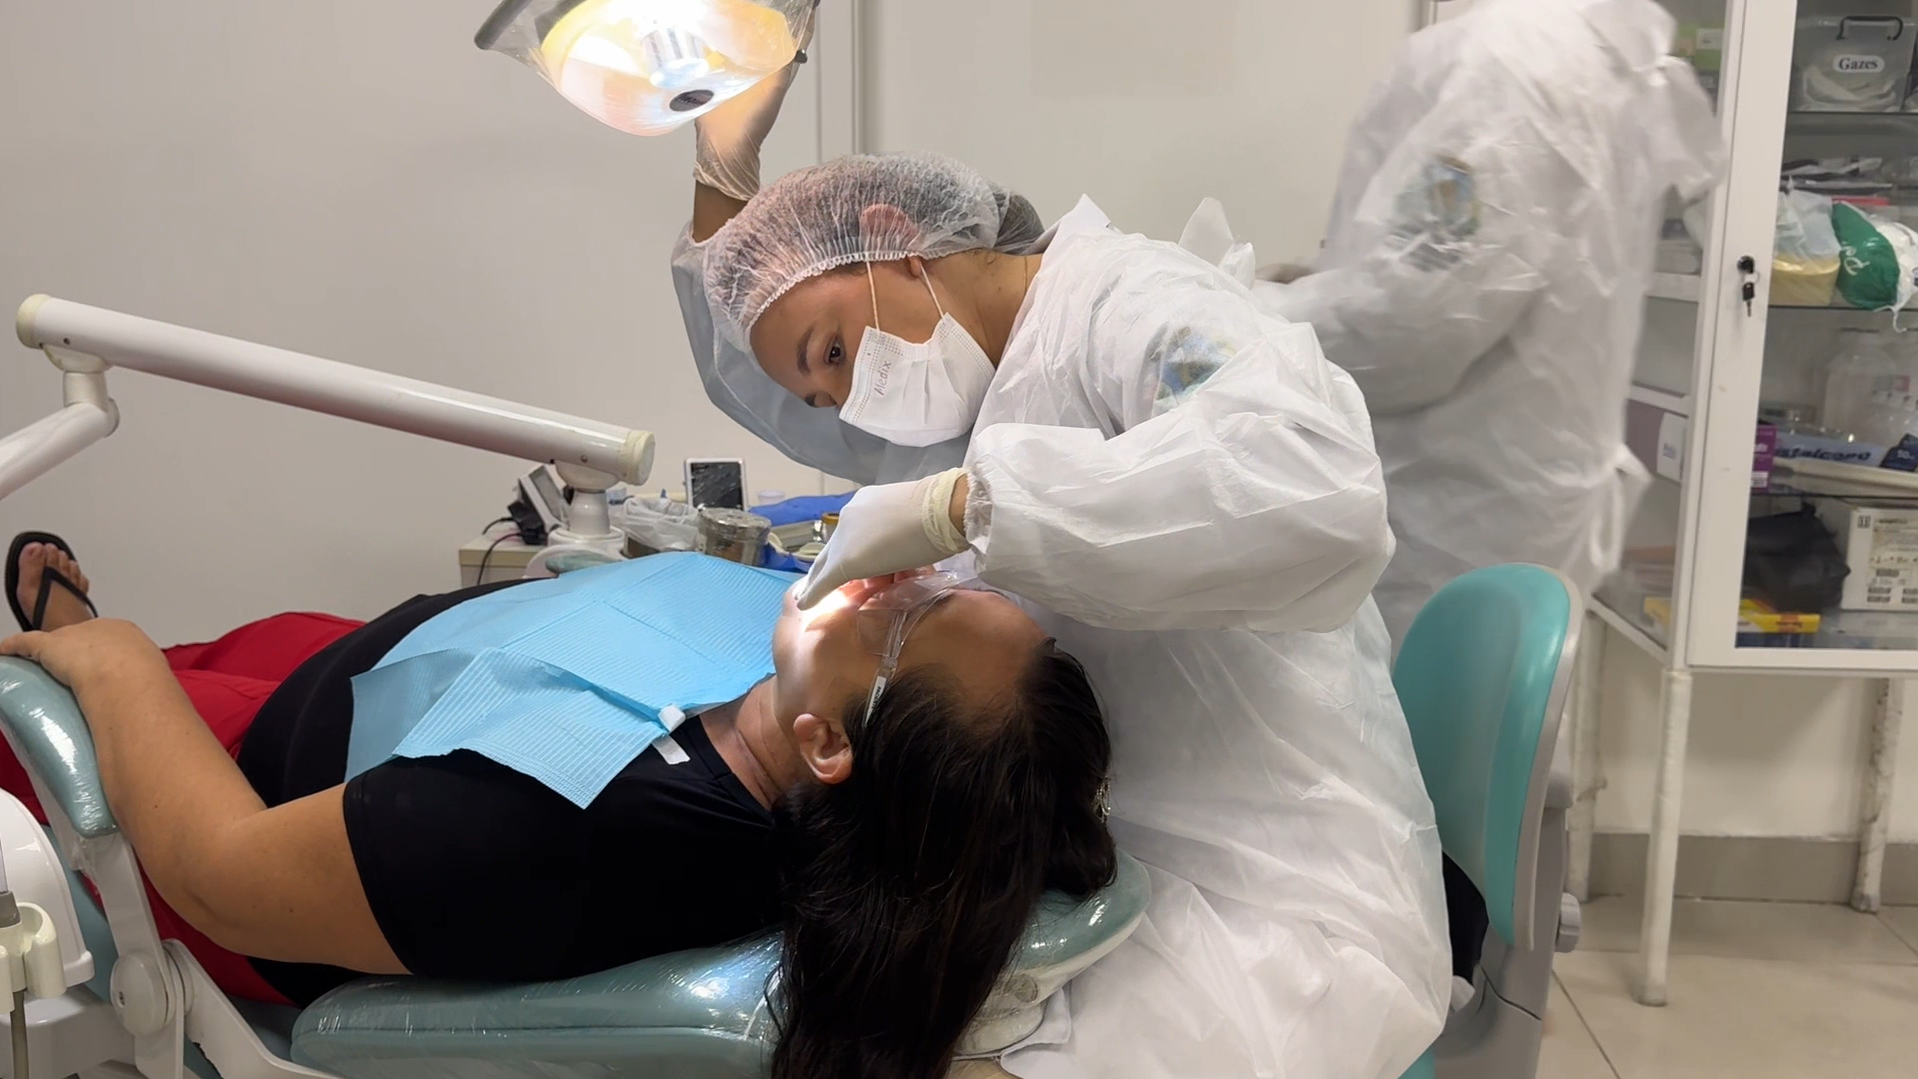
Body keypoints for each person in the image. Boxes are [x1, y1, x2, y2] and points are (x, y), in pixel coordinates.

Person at [670, 78, 1450, 1079]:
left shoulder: (1125, 305)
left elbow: (1314, 488)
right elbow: (760, 374)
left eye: (833, 352)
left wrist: (964, 507)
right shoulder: (974, 389)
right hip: (1127, 860)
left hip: (1284, 903)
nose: (845, 402)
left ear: (892, 236)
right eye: (824, 393)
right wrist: (721, 175)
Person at [0, 537, 1116, 1079]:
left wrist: (111, 658)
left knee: (70, 684)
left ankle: (81, 635)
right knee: (234, 646)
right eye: (950, 581)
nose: (897, 572)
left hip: (252, 790)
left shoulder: (566, 830)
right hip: (391, 685)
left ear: (828, 744)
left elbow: (220, 870)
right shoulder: (810, 695)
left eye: (908, 616)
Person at [1250, 0, 1723, 643]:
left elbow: (1411, 325)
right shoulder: (1584, 52)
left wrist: (1239, 315)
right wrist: (1314, 281)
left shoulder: (1512, 62)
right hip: (1514, 494)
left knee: (1413, 700)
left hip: (1452, 516)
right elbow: (1466, 265)